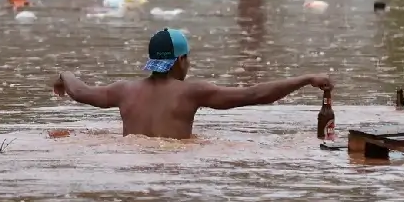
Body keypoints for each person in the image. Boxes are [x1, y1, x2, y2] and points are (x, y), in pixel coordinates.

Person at [51, 28, 333, 139]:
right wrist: (305, 79)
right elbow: (254, 95)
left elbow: (81, 92)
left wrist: (64, 75)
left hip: (130, 163)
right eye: (188, 59)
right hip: (174, 166)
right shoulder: (191, 92)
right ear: (179, 60)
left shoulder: (124, 90)